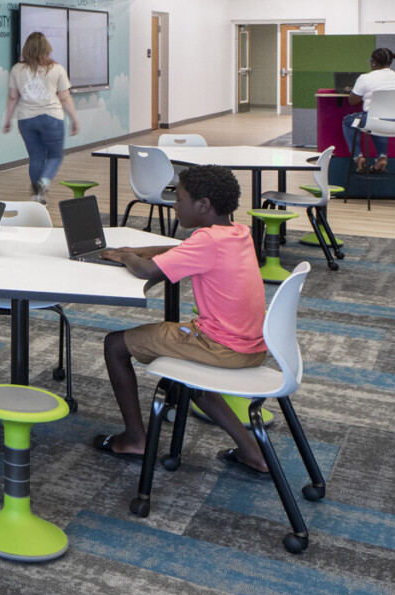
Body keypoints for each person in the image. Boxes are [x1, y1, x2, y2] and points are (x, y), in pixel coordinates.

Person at [93, 165, 272, 475]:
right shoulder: (237, 232)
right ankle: (253, 453)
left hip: (220, 346)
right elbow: (182, 250)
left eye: (180, 197)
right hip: (252, 346)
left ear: (202, 206)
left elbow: (148, 271)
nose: (173, 203)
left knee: (114, 345)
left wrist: (125, 257)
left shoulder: (207, 242)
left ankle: (135, 439)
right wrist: (137, 250)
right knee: (197, 384)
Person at [1, 31, 80, 203]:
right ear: (47, 49)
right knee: (55, 156)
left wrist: (7, 120)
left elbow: (13, 97)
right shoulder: (57, 69)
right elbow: (65, 97)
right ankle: (43, 184)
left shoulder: (17, 69)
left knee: (36, 156)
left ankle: (37, 195)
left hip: (26, 119)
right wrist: (74, 118)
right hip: (52, 118)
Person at [342, 47, 395, 174]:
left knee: (348, 121)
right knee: (381, 120)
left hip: (373, 121)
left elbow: (353, 101)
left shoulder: (365, 78)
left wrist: (352, 91)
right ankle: (381, 157)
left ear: (374, 63)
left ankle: (358, 157)